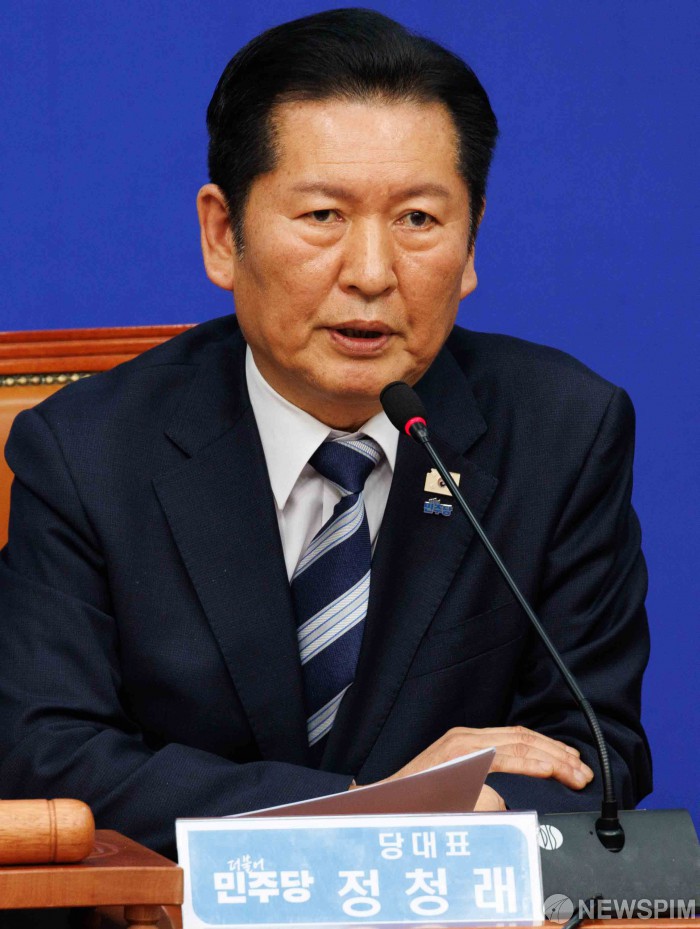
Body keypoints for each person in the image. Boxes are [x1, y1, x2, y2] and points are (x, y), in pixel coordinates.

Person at [0, 9, 651, 859]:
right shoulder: (87, 453)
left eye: (418, 219)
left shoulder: (563, 432)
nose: (372, 273)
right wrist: (370, 810)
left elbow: (592, 751)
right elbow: (46, 755)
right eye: (322, 215)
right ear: (223, 235)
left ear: (470, 245)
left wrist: (440, 821)